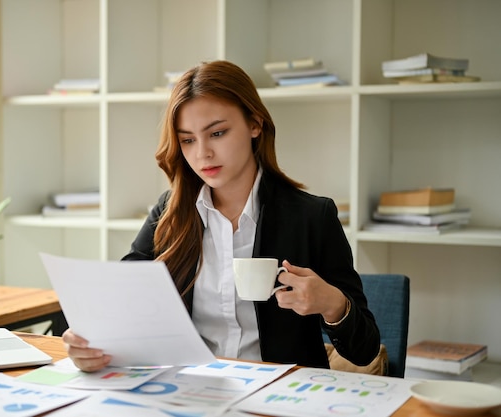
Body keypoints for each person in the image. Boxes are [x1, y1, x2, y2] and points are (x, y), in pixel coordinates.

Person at [62, 60, 380, 372]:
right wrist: (87, 344)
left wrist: (333, 305)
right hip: (190, 391)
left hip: (279, 396)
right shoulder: (169, 212)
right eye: (187, 140)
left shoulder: (312, 216)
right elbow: (119, 303)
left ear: (255, 124)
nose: (202, 154)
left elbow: (364, 351)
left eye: (217, 133)